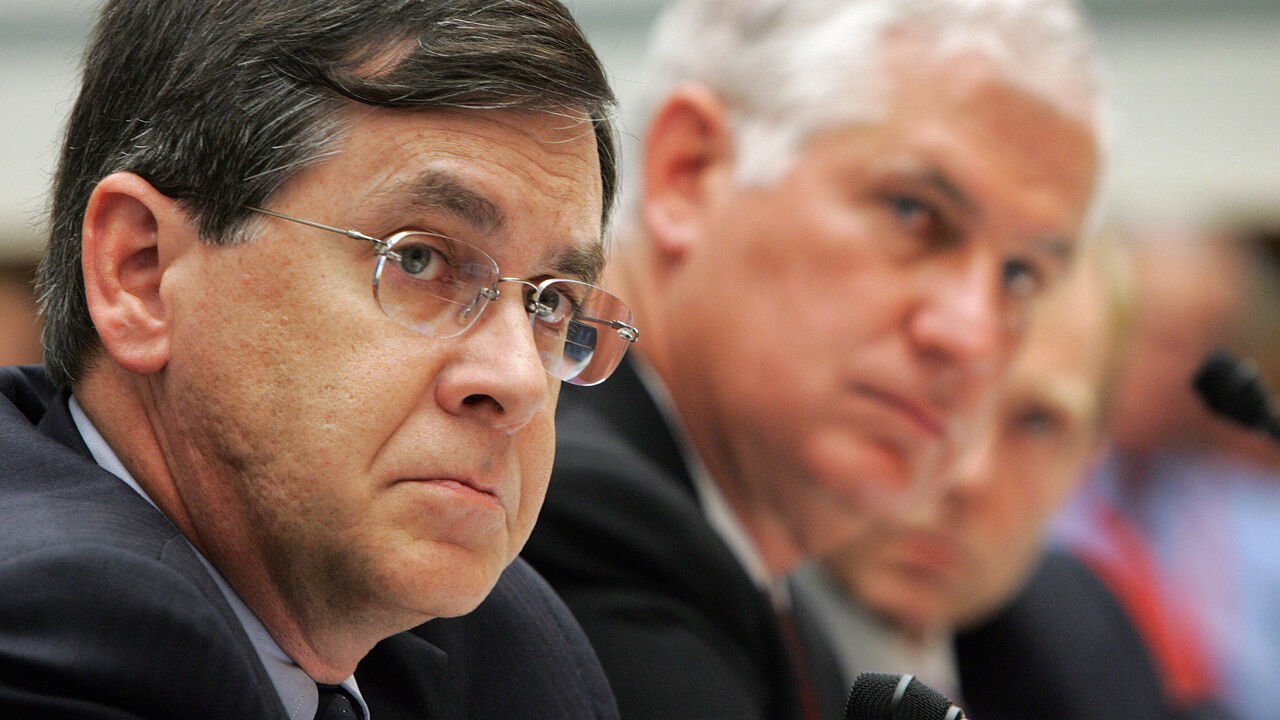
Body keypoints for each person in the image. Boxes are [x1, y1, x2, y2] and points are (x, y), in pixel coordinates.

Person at [0, 1, 638, 718]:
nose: (518, 380)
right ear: (141, 273)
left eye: (550, 305)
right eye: (420, 259)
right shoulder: (60, 630)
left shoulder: (507, 649)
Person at [520, 1, 1105, 718]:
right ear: (690, 171)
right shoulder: (574, 518)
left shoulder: (772, 595)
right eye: (915, 214)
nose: (972, 336)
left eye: (1020, 277)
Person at [794, 235, 1233, 720]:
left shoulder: (1075, 633)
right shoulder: (709, 645)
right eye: (936, 393)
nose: (967, 474)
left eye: (1037, 423)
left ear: (1090, 454)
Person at [1057, 217, 1280, 720]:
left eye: (1207, 343)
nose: (1179, 369)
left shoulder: (1259, 522)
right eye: (1154, 335)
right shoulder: (1019, 499)